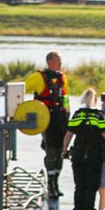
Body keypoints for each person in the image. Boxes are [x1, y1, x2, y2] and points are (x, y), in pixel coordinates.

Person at [63, 89, 105, 210]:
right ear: (95, 100)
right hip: (93, 156)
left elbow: (68, 134)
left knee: (79, 187)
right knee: (91, 187)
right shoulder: (98, 116)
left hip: (78, 155)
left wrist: (64, 151)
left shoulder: (77, 115)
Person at [36, 51, 69, 197]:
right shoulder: (38, 77)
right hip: (47, 120)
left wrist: (68, 115)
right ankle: (51, 185)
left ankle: (56, 182)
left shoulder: (63, 77)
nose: (61, 64)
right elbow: (22, 90)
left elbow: (65, 98)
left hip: (61, 119)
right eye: (58, 61)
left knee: (60, 152)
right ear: (49, 62)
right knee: (51, 153)